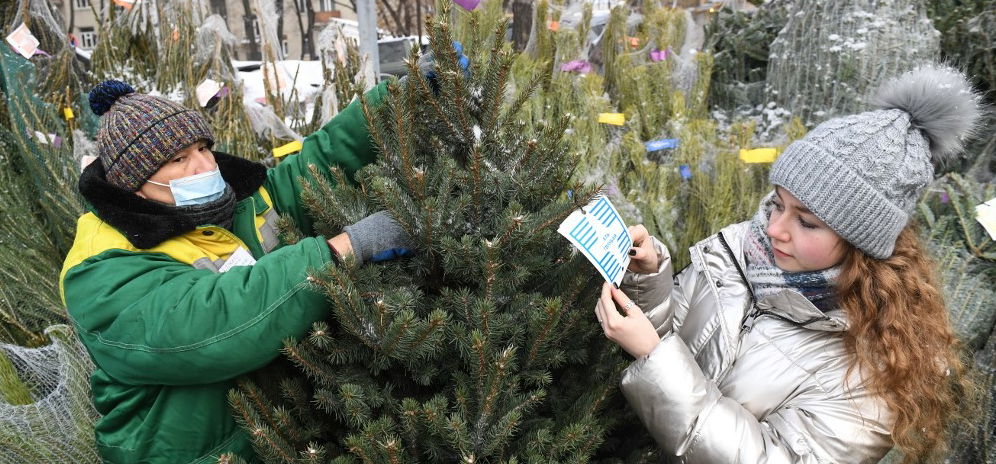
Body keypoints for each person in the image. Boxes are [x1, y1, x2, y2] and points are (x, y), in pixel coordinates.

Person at [593, 65, 981, 463]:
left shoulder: (873, 373)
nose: (774, 228)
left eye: (806, 222)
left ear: (859, 243)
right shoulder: (740, 256)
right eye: (778, 203)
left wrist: (654, 355)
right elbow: (682, 336)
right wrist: (651, 279)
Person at [59, 75, 417, 464]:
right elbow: (214, 323)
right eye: (178, 160)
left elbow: (324, 160)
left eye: (202, 148)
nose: (203, 166)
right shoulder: (101, 269)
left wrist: (402, 96)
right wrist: (343, 249)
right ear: (134, 185)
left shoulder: (241, 203)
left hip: (283, 439)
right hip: (197, 455)